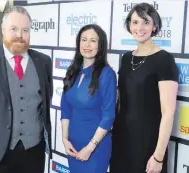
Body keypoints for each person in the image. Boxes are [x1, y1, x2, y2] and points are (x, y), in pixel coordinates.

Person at [0, 6, 53, 173]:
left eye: (25, 30)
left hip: (33, 152)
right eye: (14, 29)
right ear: (3, 30)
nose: (19, 35)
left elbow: (45, 101)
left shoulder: (44, 61)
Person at [110, 3, 178, 173]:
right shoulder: (126, 58)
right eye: (135, 22)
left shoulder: (164, 59)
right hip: (122, 139)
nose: (139, 27)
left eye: (145, 22)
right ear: (129, 26)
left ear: (154, 26)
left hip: (149, 143)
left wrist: (158, 156)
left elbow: (169, 112)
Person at [60, 24, 117, 173]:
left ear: (101, 45)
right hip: (73, 144)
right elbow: (66, 108)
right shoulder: (72, 71)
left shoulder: (107, 74)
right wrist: (65, 139)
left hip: (95, 148)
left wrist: (90, 148)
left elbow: (108, 116)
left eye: (93, 40)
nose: (87, 44)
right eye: (84, 39)